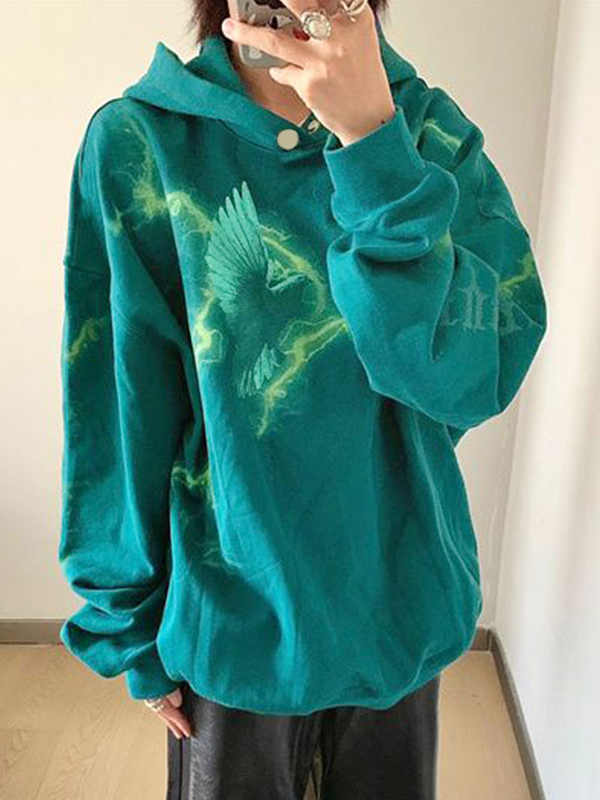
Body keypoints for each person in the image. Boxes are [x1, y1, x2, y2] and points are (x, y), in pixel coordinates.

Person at [57, 0, 548, 796]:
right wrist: (127, 622)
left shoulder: (427, 134)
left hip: (398, 602)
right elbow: (118, 404)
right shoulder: (141, 144)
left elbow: (472, 377)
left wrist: (374, 148)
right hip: (233, 616)